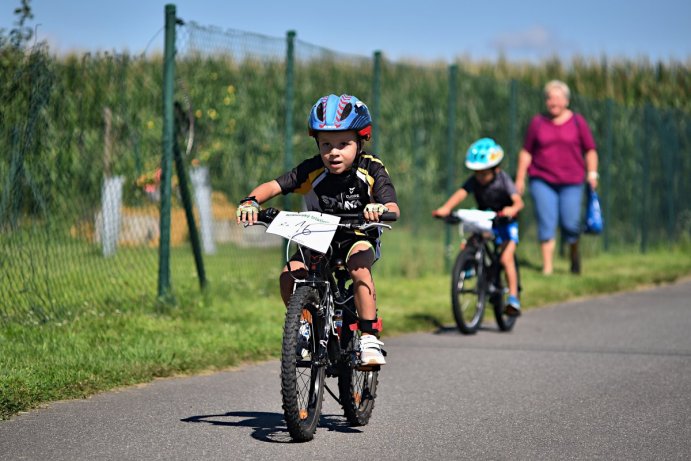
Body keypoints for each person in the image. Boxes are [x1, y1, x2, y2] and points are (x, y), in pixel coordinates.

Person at [236, 93, 400, 365]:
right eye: (326, 144)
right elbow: (274, 186)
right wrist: (251, 201)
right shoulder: (313, 169)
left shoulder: (371, 168)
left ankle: (369, 336)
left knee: (359, 266)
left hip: (357, 235)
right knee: (289, 276)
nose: (333, 152)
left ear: (361, 141)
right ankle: (304, 326)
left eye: (343, 144)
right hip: (317, 237)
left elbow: (392, 205)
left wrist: (381, 209)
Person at [514, 80, 599, 275]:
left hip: (572, 180)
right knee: (546, 221)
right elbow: (526, 152)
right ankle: (548, 268)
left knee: (571, 223)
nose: (554, 102)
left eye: (558, 98)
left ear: (567, 101)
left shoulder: (578, 122)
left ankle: (574, 255)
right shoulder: (538, 123)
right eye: (550, 98)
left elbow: (590, 150)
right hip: (542, 179)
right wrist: (520, 178)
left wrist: (592, 173)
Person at [433, 138, 524, 316]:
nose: (480, 177)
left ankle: (513, 298)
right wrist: (446, 208)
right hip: (487, 219)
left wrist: (511, 209)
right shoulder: (474, 181)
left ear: (495, 168)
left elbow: (518, 202)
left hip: (506, 223)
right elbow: (461, 193)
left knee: (506, 259)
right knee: (471, 240)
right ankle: (470, 264)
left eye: (484, 173)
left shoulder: (503, 179)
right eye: (477, 173)